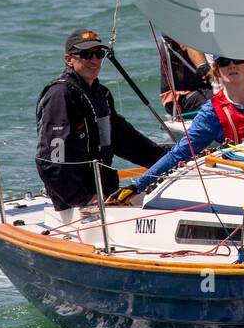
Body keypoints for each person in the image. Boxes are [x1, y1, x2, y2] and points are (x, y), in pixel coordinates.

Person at [109, 57, 244, 204]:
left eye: (237, 59)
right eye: (224, 62)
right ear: (217, 70)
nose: (232, 65)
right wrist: (137, 185)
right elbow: (181, 152)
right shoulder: (213, 112)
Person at [35, 30, 170, 219]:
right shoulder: (61, 96)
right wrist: (83, 199)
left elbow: (124, 139)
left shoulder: (101, 95)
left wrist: (167, 160)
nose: (94, 60)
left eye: (99, 54)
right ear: (69, 59)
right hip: (77, 204)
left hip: (104, 194)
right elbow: (50, 161)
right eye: (86, 54)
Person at [159, 35, 213, 116]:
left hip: (206, 90)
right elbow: (189, 42)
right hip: (182, 100)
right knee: (225, 97)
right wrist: (204, 68)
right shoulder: (181, 32)